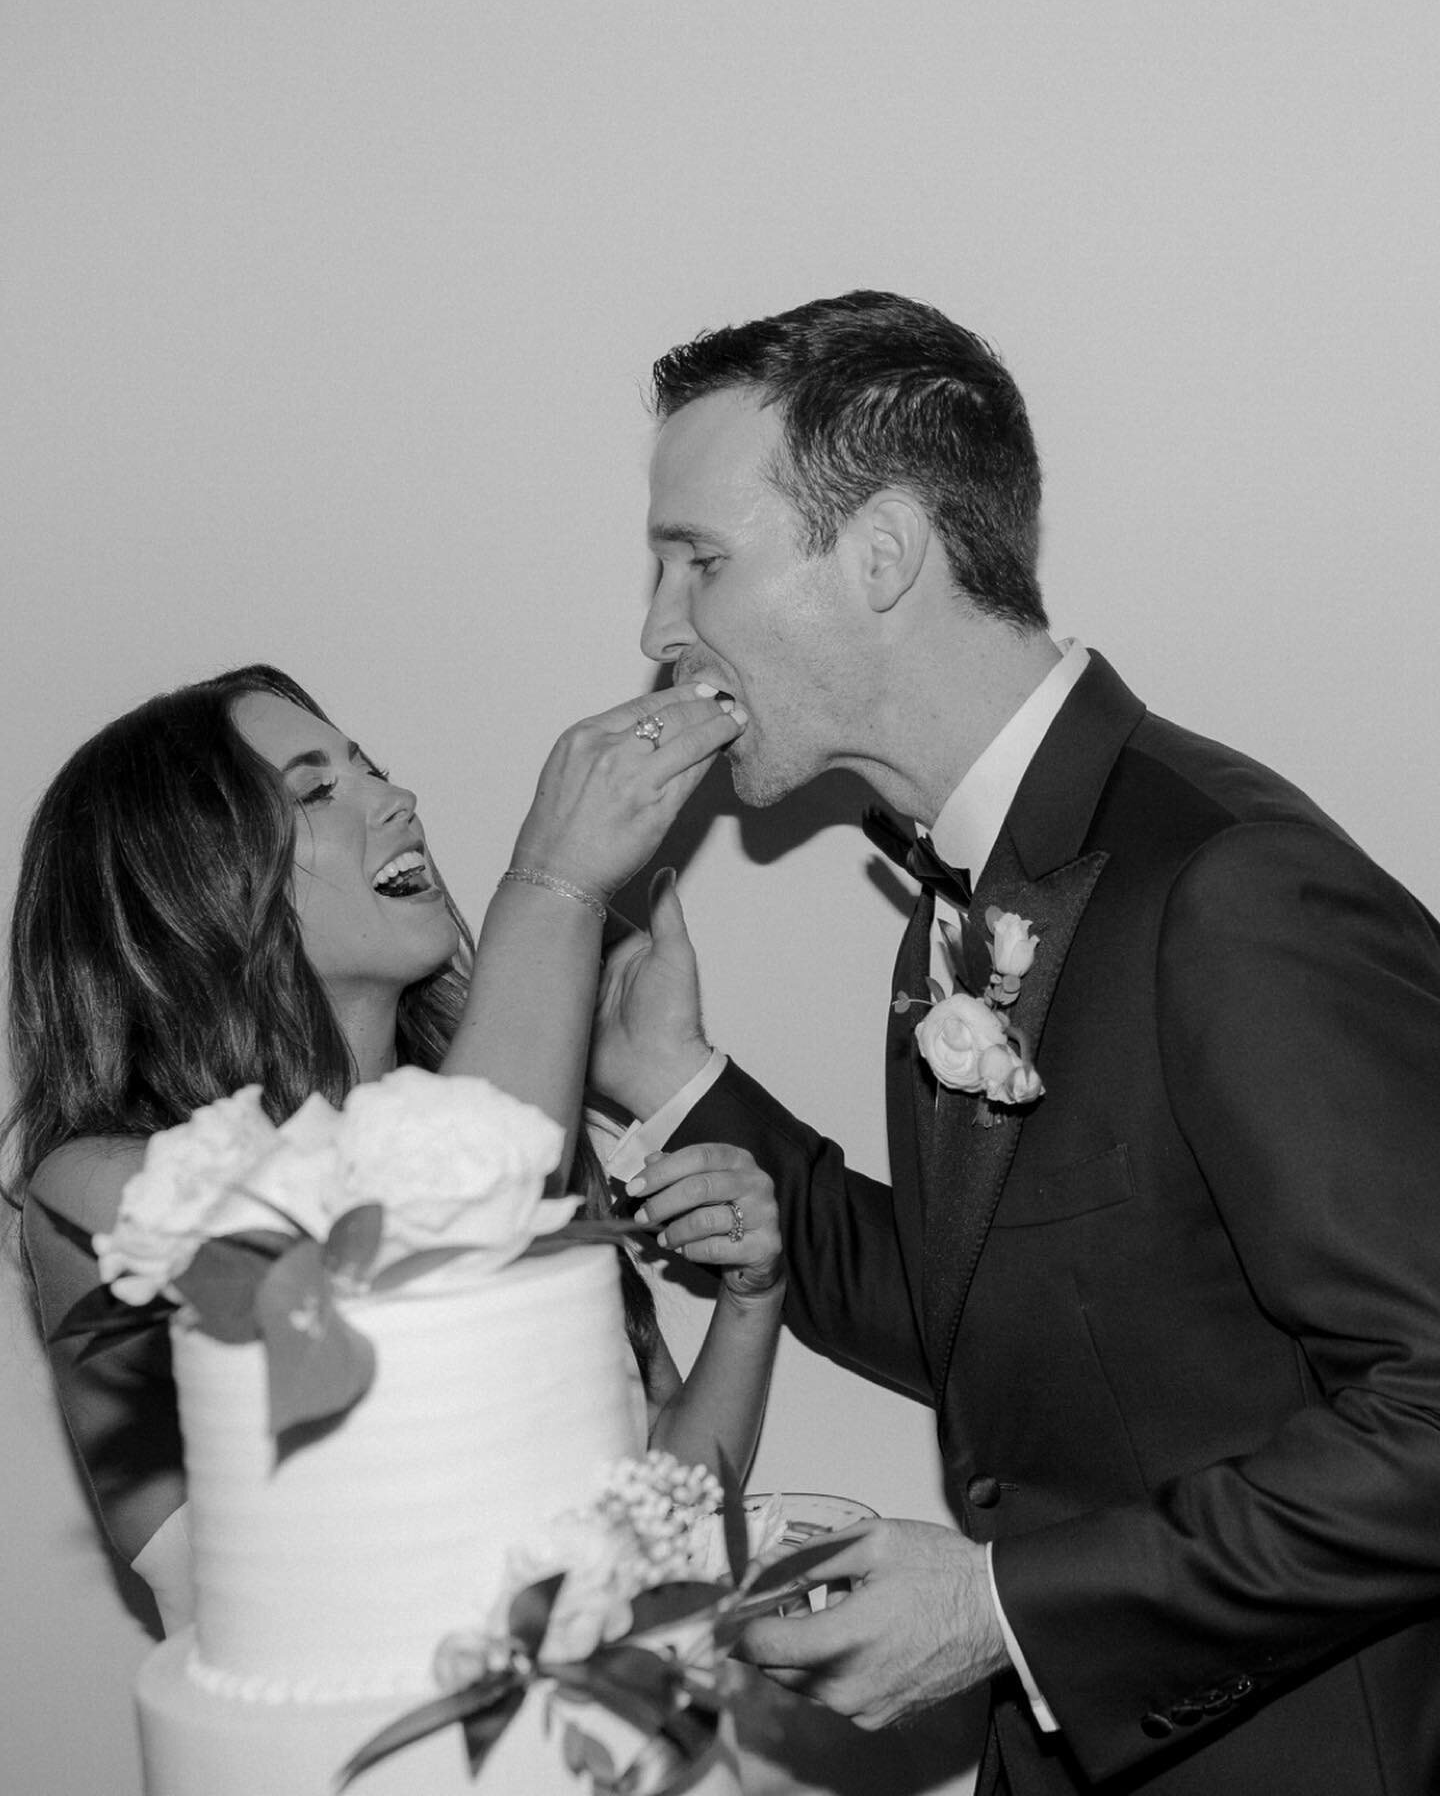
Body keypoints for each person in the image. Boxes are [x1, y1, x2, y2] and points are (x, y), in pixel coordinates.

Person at [589, 290, 1440, 1795]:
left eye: (699, 561)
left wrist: (1002, 1613)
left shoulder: (1229, 889)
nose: (661, 628)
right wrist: (679, 1085)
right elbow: (994, 1313)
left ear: (884, 556)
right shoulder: (982, 878)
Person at [3, 663, 784, 1636]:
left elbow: (652, 1503)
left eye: (372, 768)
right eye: (317, 790)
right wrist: (555, 888)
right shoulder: (98, 1190)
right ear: (190, 891)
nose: (396, 798)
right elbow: (417, 1250)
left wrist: (751, 1302)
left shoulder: (518, 1132)